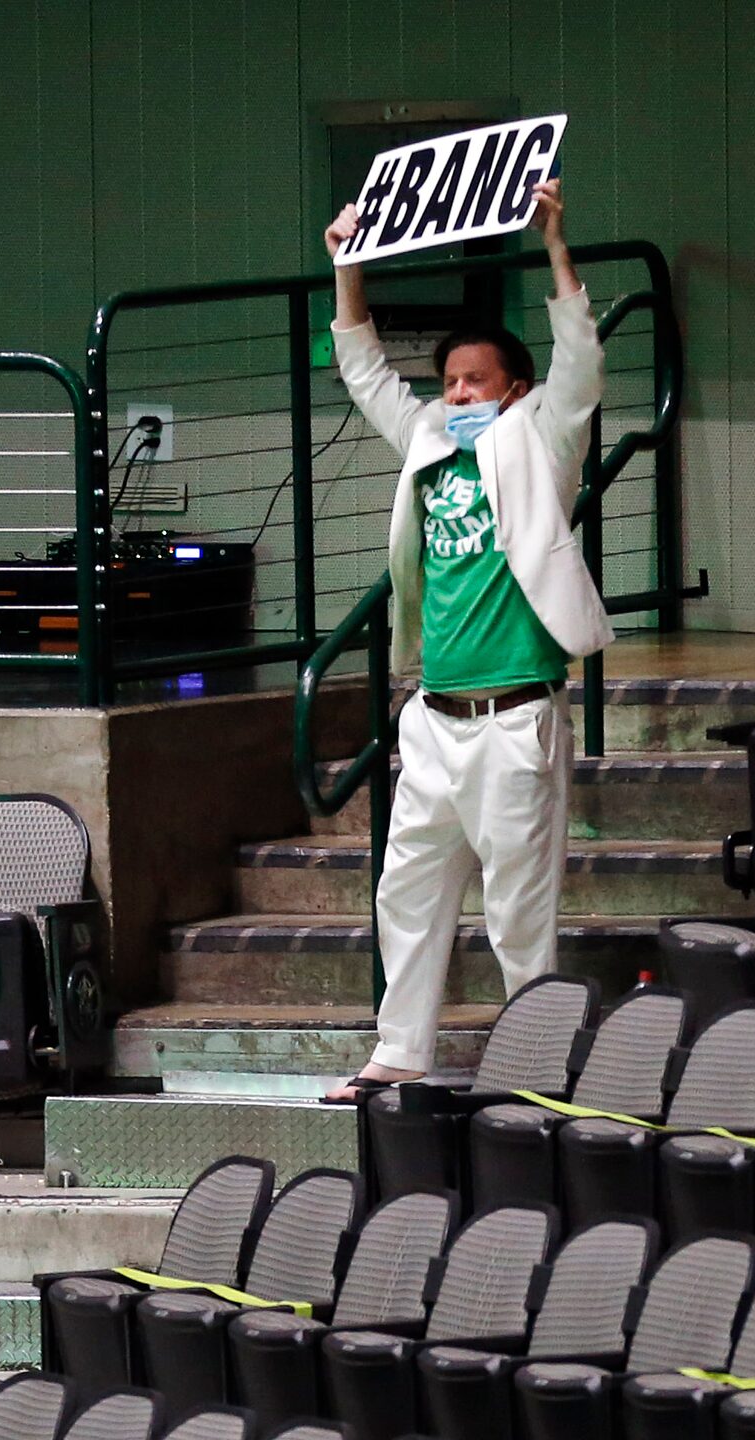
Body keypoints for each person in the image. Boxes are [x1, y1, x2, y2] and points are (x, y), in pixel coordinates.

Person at [320, 175, 611, 1104]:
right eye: (448, 381)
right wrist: (349, 268)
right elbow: (364, 368)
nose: (455, 393)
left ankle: (534, 1065)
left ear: (511, 389)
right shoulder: (430, 444)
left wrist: (555, 241)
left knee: (520, 911)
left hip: (514, 714)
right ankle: (399, 1052)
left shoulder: (541, 440)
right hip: (433, 717)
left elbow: (580, 360)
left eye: (473, 380)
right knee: (406, 896)